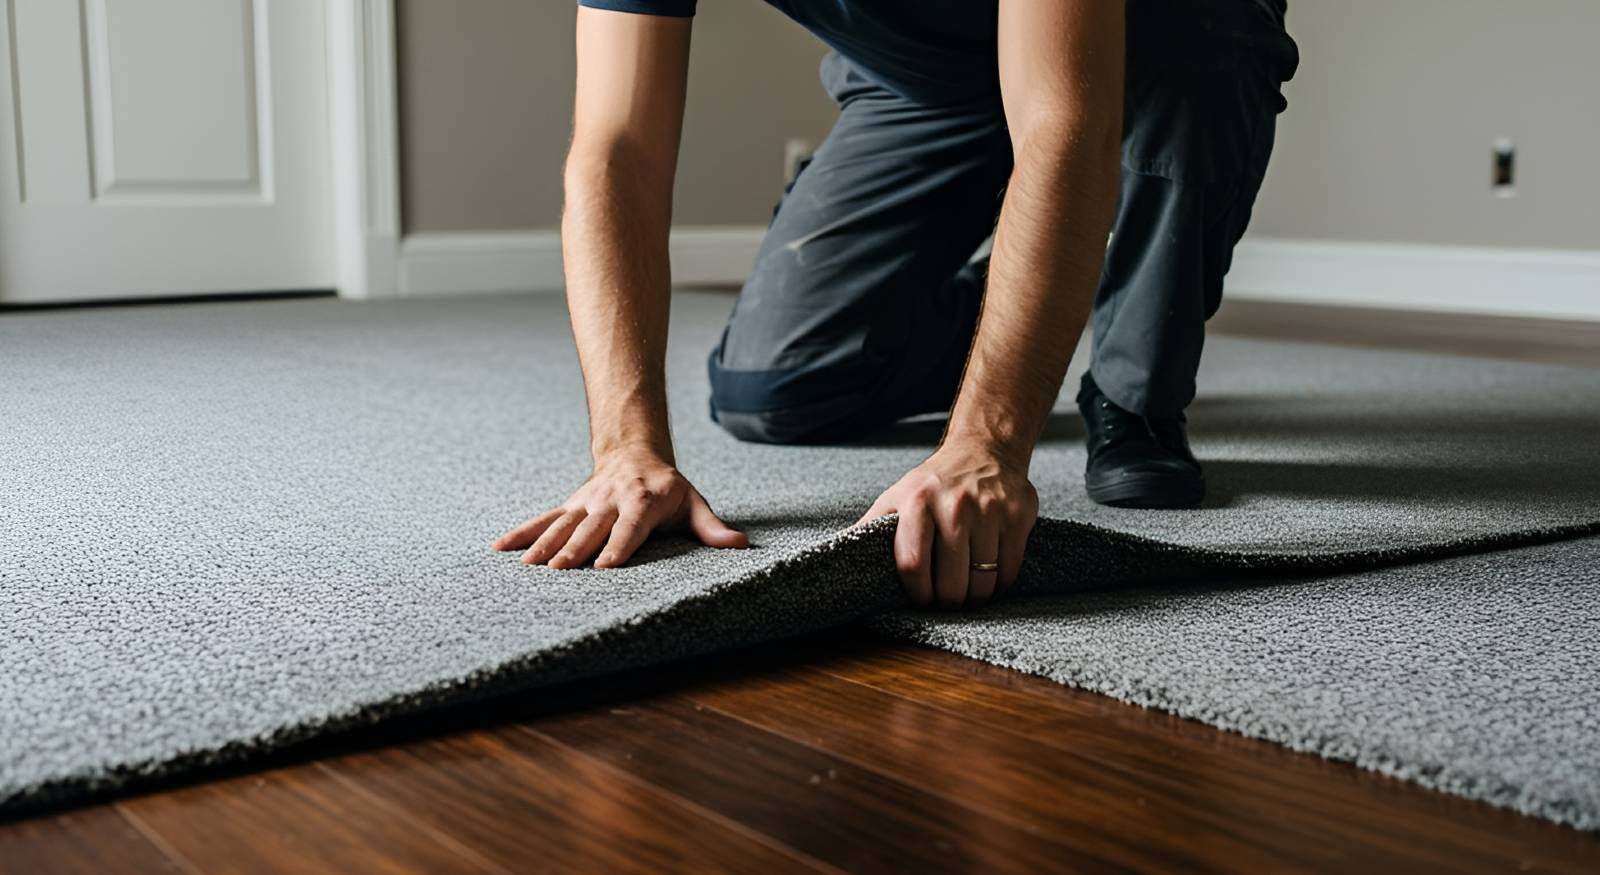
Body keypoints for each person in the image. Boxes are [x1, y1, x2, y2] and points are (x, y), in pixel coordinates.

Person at [493, 0, 1299, 609]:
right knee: (776, 387)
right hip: (921, 79)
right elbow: (616, 149)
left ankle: (1130, 374)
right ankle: (1074, 268)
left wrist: (988, 442)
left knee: (1204, 44)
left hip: (1151, 39)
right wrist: (627, 448)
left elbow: (1063, 120)